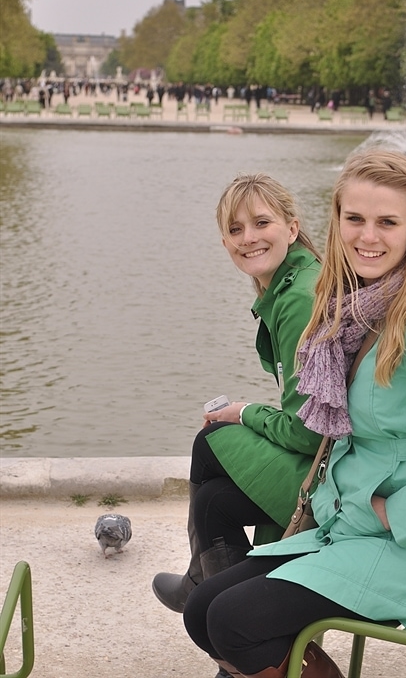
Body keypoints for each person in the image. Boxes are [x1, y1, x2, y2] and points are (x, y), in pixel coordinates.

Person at [182, 149, 406, 678]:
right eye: (355, 219)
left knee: (232, 621)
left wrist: (402, 511)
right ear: (335, 222)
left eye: (388, 221)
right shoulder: (354, 310)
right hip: (358, 531)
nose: (369, 236)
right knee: (202, 611)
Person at [152, 175, 322, 666]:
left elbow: (307, 430)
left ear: (292, 226)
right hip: (333, 458)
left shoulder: (299, 299)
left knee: (213, 440)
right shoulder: (298, 280)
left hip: (336, 477)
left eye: (261, 223)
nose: (249, 237)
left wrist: (247, 411)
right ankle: (222, 609)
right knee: (213, 502)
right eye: (235, 228)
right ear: (224, 240)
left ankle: (204, 588)